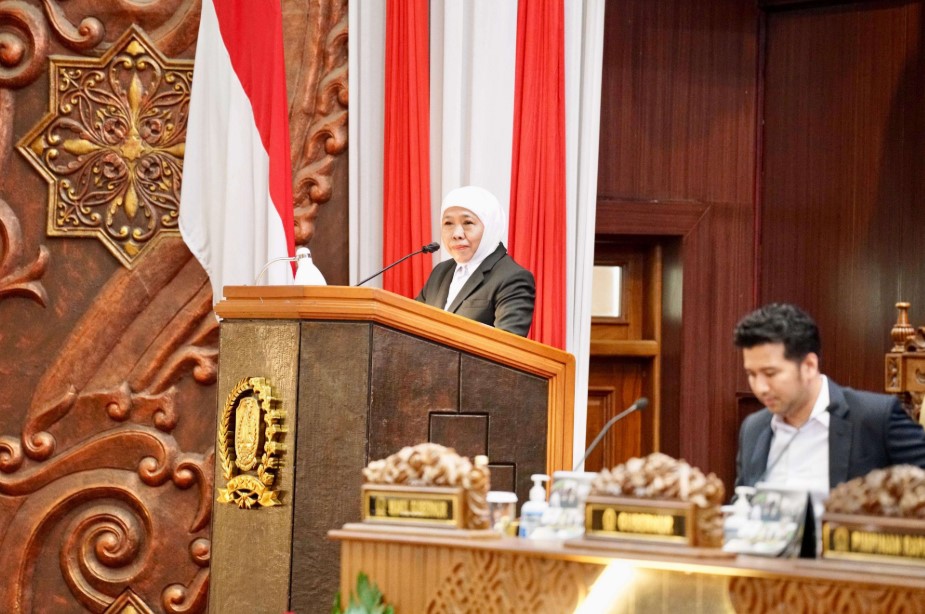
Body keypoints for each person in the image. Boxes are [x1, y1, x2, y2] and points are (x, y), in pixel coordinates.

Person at [733, 303, 925, 494]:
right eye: (751, 374)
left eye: (770, 373)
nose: (760, 387)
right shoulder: (754, 428)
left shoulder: (876, 418)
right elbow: (742, 501)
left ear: (809, 366)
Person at [416, 186, 535, 336]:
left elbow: (507, 344)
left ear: (490, 226)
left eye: (467, 223)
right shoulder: (440, 272)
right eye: (448, 223)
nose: (457, 234)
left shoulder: (513, 277)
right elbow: (412, 323)